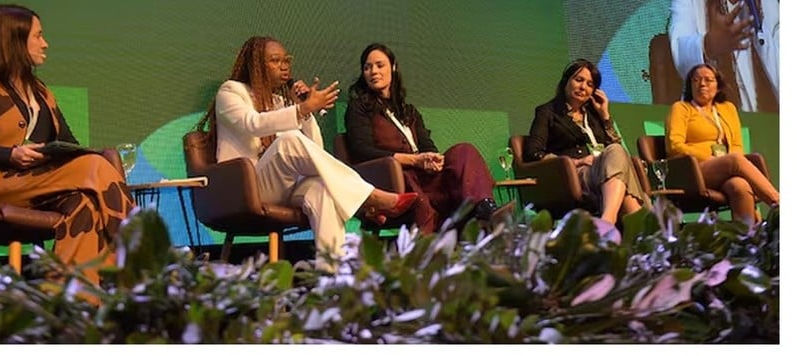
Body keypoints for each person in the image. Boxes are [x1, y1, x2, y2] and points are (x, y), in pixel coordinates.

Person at [0, 4, 134, 286]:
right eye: (38, 35)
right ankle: (138, 260)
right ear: (14, 40)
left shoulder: (41, 91)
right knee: (95, 165)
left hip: (37, 186)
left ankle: (73, 299)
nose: (45, 44)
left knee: (83, 204)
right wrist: (8, 154)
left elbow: (70, 144)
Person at [214, 36, 417, 269]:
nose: (284, 66)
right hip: (245, 189)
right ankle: (368, 197)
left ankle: (333, 276)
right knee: (288, 141)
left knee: (322, 191)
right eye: (275, 60)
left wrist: (305, 111)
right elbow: (253, 124)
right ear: (256, 65)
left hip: (280, 188)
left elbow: (313, 148)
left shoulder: (280, 102)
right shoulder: (231, 92)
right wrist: (301, 109)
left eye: (286, 60)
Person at [344, 43, 511, 234]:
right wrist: (414, 160)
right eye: (367, 67)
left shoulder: (408, 111)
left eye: (379, 65)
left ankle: (485, 209)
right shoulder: (359, 107)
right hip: (393, 177)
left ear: (393, 67)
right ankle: (461, 230)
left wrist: (432, 159)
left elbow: (426, 145)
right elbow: (361, 150)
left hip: (423, 174)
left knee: (464, 151)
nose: (373, 71)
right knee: (407, 176)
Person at [524, 59, 650, 226]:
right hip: (576, 174)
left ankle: (609, 223)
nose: (583, 87)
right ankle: (640, 229)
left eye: (590, 84)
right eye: (579, 80)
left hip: (605, 171)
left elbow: (617, 149)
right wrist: (577, 162)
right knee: (628, 182)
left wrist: (605, 116)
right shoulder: (548, 112)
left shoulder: (595, 114)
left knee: (617, 157)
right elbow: (533, 152)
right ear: (566, 81)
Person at [665, 63, 779, 226]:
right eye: (696, 80)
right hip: (693, 170)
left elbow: (737, 145)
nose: (702, 84)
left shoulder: (728, 109)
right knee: (734, 160)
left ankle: (747, 236)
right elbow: (674, 146)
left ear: (718, 86)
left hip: (725, 168)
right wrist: (710, 158)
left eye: (708, 80)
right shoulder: (681, 108)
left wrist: (725, 162)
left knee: (739, 186)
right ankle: (778, 204)